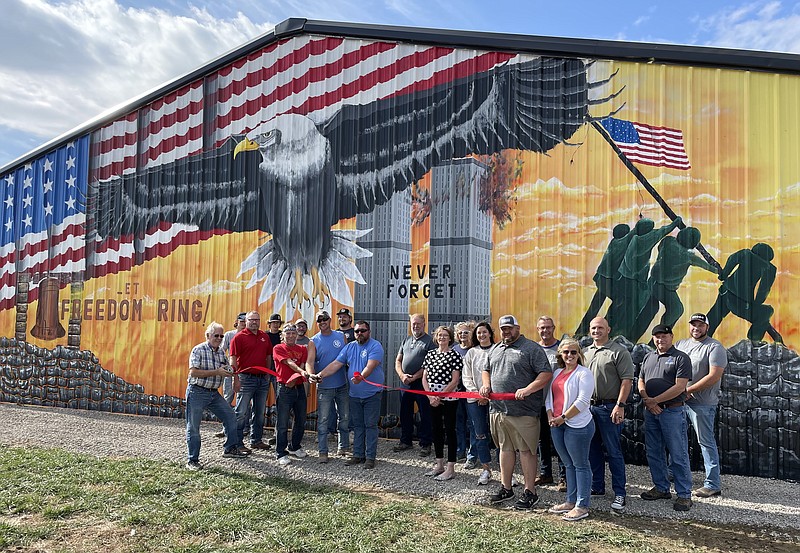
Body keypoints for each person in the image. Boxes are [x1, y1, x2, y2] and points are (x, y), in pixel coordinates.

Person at [480, 315, 552, 510]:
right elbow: (485, 369)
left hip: (524, 411)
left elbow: (545, 373)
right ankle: (506, 487)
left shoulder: (531, 348)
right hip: (499, 410)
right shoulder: (495, 348)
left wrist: (528, 390)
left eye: (510, 328)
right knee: (505, 449)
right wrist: (486, 385)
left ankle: (530, 492)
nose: (506, 332)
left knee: (527, 451)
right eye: (503, 328)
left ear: (518, 328)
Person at [315, 320, 384, 469]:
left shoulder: (375, 346)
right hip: (354, 394)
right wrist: (321, 374)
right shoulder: (350, 347)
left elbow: (370, 366)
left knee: (370, 425)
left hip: (372, 394)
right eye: (357, 331)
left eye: (363, 331)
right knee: (358, 426)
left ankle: (370, 457)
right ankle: (358, 455)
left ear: (369, 332)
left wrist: (361, 377)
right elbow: (336, 364)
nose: (360, 333)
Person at [638, 324, 694, 511]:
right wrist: (647, 399)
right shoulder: (649, 357)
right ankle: (661, 488)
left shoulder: (681, 358)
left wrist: (654, 401)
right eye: (657, 336)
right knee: (654, 452)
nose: (660, 340)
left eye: (664, 336)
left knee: (678, 454)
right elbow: (641, 380)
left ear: (671, 336)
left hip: (672, 411)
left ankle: (684, 495)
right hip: (651, 412)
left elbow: (680, 387)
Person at [582, 316, 634, 513]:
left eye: (600, 328)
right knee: (592, 449)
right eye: (594, 328)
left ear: (608, 329)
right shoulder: (586, 352)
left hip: (609, 408)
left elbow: (626, 381)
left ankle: (620, 492)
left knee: (613, 451)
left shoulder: (619, 352)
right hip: (589, 408)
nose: (597, 331)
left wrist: (620, 405)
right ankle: (598, 486)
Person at [676, 313, 728, 497]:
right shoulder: (681, 345)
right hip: (679, 401)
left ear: (707, 327)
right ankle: (674, 473)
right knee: (677, 439)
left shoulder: (715, 347)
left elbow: (714, 376)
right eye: (693, 324)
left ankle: (713, 484)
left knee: (705, 442)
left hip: (702, 404)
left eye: (700, 325)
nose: (696, 328)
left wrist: (688, 391)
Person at [185, 322, 248, 470]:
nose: (219, 338)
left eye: (221, 336)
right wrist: (217, 372)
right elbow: (193, 372)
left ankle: (230, 448)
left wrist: (233, 372)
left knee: (231, 417)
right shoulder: (198, 350)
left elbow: (227, 368)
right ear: (208, 336)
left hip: (213, 393)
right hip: (197, 392)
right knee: (193, 427)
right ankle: (192, 460)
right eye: (216, 335)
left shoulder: (220, 352)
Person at [545, 338, 595, 522]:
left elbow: (582, 402)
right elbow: (549, 397)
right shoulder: (557, 372)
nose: (569, 355)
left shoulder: (584, 373)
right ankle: (570, 500)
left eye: (573, 352)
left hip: (578, 425)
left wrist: (563, 417)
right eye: (566, 352)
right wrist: (550, 415)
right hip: (557, 424)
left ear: (579, 354)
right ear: (560, 354)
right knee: (568, 464)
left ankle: (582, 506)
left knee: (581, 464)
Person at [307, 310, 350, 463]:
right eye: (319, 320)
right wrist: (311, 374)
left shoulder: (341, 336)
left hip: (342, 385)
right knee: (323, 420)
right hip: (324, 387)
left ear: (330, 319)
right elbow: (309, 362)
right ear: (316, 323)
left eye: (324, 319)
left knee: (344, 418)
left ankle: (344, 446)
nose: (322, 322)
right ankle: (323, 452)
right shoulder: (313, 340)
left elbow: (347, 360)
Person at [421, 325, 463, 481]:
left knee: (450, 430)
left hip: (449, 397)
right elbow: (424, 377)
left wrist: (440, 395)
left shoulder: (455, 355)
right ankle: (439, 464)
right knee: (436, 429)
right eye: (440, 335)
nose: (442, 338)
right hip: (432, 398)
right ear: (436, 337)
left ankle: (451, 467)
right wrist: (430, 396)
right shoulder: (430, 354)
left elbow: (455, 380)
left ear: (450, 338)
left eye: (445, 335)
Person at [393, 313, 436, 456]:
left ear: (424, 324)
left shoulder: (430, 342)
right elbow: (398, 360)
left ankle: (425, 443)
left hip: (422, 383)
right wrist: (402, 375)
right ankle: (406, 441)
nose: (415, 326)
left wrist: (414, 377)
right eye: (413, 324)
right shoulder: (406, 340)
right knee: (405, 413)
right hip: (405, 382)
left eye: (418, 323)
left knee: (425, 414)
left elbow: (429, 365)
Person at [230, 311, 273, 452]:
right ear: (246, 321)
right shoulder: (239, 337)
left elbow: (268, 356)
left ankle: (256, 440)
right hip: (245, 378)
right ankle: (237, 443)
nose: (254, 322)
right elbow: (233, 359)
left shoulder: (264, 337)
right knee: (241, 412)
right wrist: (235, 378)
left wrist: (267, 373)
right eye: (251, 320)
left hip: (262, 380)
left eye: (257, 320)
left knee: (259, 412)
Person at [272, 323, 312, 465]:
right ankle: (280, 452)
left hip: (299, 387)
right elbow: (289, 362)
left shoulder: (302, 348)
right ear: (282, 335)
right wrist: (301, 373)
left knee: (301, 419)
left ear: (297, 335)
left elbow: (302, 364)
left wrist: (298, 376)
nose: (290, 336)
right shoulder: (278, 348)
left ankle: (294, 446)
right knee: (282, 422)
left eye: (293, 333)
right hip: (284, 388)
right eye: (287, 333)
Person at [461, 321, 496, 485]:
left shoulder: (498, 350)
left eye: (484, 332)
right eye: (479, 333)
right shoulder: (471, 353)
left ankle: (505, 470)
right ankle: (486, 468)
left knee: (499, 434)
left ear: (490, 333)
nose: (482, 335)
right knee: (480, 433)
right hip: (474, 400)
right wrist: (478, 394)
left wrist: (488, 395)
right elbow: (466, 377)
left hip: (495, 400)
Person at [535, 316, 567, 491]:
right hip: (538, 403)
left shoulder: (561, 349)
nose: (545, 331)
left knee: (560, 441)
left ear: (554, 328)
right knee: (542, 440)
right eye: (542, 328)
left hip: (557, 404)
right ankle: (546, 473)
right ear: (537, 329)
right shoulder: (533, 348)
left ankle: (564, 477)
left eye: (548, 327)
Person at [452, 321, 475, 465]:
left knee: (473, 424)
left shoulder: (475, 349)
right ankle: (460, 450)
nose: (463, 335)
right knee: (458, 423)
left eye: (466, 332)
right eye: (460, 332)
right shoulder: (454, 349)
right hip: (457, 392)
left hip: (471, 393)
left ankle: (472, 455)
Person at [221, 312, 247, 405]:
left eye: (245, 321)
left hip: (244, 371)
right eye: (242, 321)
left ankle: (239, 419)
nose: (244, 324)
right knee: (228, 396)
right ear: (237, 322)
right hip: (230, 369)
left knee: (243, 397)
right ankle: (224, 418)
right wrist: (224, 365)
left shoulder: (250, 336)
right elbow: (222, 350)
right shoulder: (229, 334)